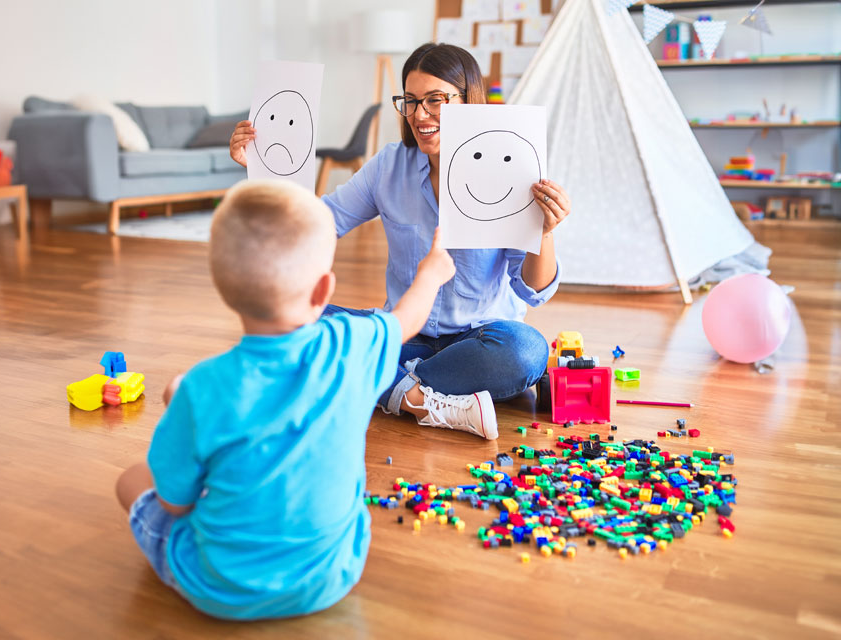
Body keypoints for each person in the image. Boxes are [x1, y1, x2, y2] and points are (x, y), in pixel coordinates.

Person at [115, 179, 456, 620]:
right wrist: (431, 272)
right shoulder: (353, 344)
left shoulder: (203, 387)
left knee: (131, 480)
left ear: (223, 288)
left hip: (219, 588)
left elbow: (176, 505)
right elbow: (406, 319)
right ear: (322, 292)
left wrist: (187, 416)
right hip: (332, 576)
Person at [230, 43, 572, 440]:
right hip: (403, 335)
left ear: (468, 100)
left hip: (482, 342)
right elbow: (319, 223)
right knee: (290, 315)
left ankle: (377, 381)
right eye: (409, 101)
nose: (419, 115)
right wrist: (263, 173)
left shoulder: (511, 169)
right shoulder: (389, 165)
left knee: (526, 351)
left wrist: (544, 233)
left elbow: (531, 290)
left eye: (435, 100)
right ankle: (418, 397)